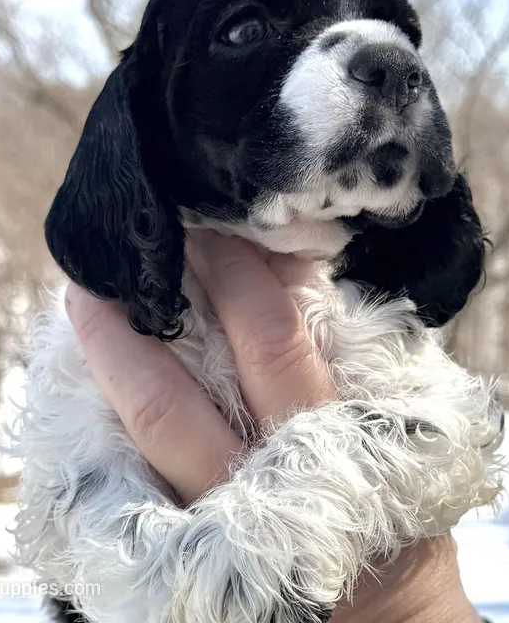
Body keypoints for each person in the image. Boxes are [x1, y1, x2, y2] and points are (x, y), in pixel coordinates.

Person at [65, 230, 487, 623]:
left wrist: (417, 607)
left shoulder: (373, 285)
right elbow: (63, 510)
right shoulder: (93, 326)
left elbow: (451, 434)